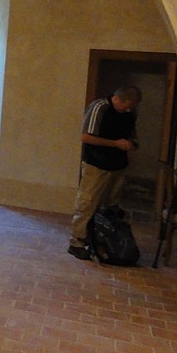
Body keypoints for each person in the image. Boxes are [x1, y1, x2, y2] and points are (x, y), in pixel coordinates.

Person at [68, 85, 142, 259]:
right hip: (96, 164)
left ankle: (103, 239)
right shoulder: (99, 108)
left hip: (118, 165)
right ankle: (77, 242)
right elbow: (86, 137)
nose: (129, 110)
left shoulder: (130, 113)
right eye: (127, 106)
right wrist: (115, 144)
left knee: (111, 207)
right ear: (118, 99)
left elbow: (133, 136)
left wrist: (131, 144)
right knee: (87, 203)